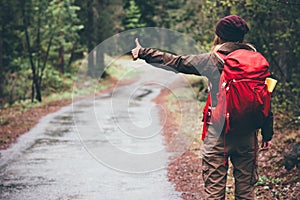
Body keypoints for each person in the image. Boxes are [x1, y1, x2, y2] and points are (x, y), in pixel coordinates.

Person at [131, 15, 274, 200]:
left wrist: (144, 52)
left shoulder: (213, 60)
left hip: (218, 134)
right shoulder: (257, 62)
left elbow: (177, 62)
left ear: (220, 36)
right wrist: (267, 132)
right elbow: (266, 99)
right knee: (245, 193)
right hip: (248, 134)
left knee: (214, 193)